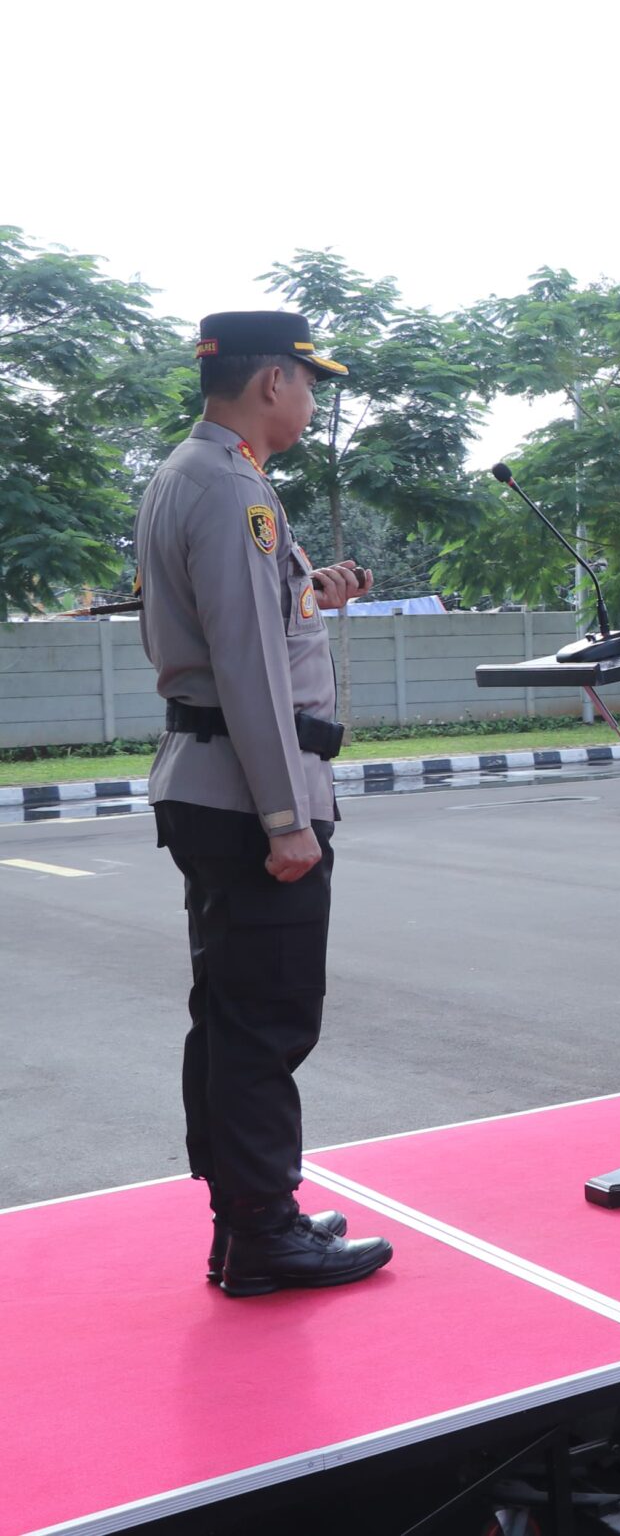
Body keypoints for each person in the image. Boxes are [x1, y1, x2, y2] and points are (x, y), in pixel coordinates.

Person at [140, 310, 394, 1296]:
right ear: (272, 382)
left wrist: (306, 591)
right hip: (249, 798)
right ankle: (262, 1228)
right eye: (309, 381)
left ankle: (243, 1212)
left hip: (210, 783)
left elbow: (240, 622)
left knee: (230, 1012)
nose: (313, 401)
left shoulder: (192, 472)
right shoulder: (230, 484)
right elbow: (244, 666)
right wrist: (288, 817)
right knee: (265, 1020)